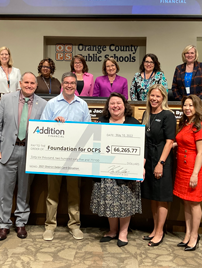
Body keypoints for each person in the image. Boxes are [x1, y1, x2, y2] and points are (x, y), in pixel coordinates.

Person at [0, 72, 47, 241]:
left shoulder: (43, 104)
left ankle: (21, 222)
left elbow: (46, 127)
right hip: (7, 150)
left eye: (32, 83)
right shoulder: (6, 99)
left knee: (24, 190)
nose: (29, 85)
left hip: (29, 152)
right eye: (26, 82)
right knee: (5, 191)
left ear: (36, 86)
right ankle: (4, 224)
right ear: (20, 83)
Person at [41, 72, 91, 241]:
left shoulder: (83, 105)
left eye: (72, 83)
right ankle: (50, 226)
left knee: (74, 192)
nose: (69, 85)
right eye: (66, 83)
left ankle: (74, 225)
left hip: (74, 156)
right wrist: (53, 123)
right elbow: (42, 127)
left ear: (76, 85)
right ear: (62, 84)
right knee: (52, 193)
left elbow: (88, 129)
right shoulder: (52, 104)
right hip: (55, 155)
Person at [90, 93, 141, 247]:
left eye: (118, 103)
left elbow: (141, 148)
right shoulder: (101, 121)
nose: (115, 106)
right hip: (106, 170)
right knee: (109, 200)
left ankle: (123, 233)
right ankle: (112, 230)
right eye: (112, 103)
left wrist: (140, 166)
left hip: (126, 171)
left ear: (124, 105)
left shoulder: (133, 123)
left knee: (125, 200)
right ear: (108, 106)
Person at [141, 84, 176, 247]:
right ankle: (155, 229)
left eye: (158, 96)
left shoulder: (168, 115)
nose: (154, 99)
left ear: (163, 98)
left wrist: (160, 163)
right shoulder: (146, 114)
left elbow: (170, 142)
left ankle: (160, 232)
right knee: (153, 197)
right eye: (152, 96)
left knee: (161, 198)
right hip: (149, 160)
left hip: (162, 160)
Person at [173, 95, 202, 251]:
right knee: (186, 201)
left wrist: (195, 174)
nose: (187, 108)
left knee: (194, 203)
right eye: (185, 105)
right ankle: (187, 234)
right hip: (182, 167)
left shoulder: (200, 127)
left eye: (191, 105)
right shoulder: (185, 124)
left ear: (197, 107)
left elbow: (200, 153)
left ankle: (194, 236)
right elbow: (180, 142)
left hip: (194, 168)